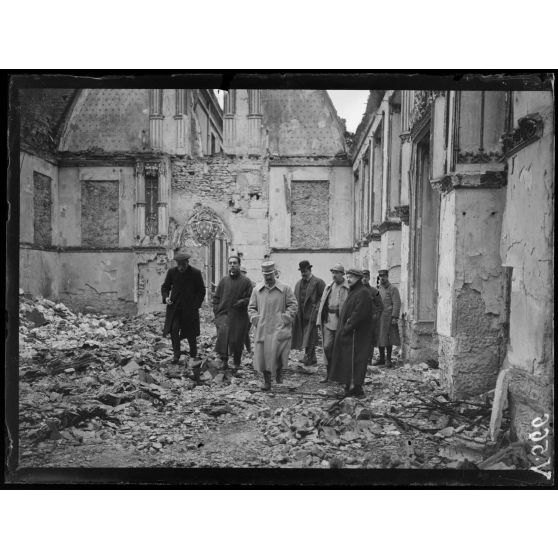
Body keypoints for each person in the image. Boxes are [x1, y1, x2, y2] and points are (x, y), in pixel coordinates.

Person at [248, 261, 298, 391]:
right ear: (263, 275)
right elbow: (251, 307)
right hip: (263, 327)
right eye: (265, 275)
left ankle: (279, 372)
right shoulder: (257, 290)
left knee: (279, 351)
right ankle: (267, 381)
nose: (268, 277)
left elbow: (293, 305)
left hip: (279, 326)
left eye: (270, 274)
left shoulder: (285, 288)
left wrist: (285, 318)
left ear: (275, 273)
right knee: (263, 355)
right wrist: (255, 318)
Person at [329, 268, 374, 398]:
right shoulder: (354, 291)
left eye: (351, 277)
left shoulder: (363, 293)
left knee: (356, 361)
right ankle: (350, 386)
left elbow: (358, 314)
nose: (348, 279)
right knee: (348, 360)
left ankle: (355, 388)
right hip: (350, 333)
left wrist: (347, 328)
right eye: (347, 277)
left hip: (357, 335)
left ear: (358, 278)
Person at [162, 250, 206, 364]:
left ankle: (193, 355)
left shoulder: (195, 273)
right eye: (179, 265)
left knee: (191, 333)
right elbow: (165, 287)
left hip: (189, 309)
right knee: (174, 330)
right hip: (175, 308)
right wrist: (166, 297)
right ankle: (176, 355)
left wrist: (195, 305)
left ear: (187, 262)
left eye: (183, 265)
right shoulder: (172, 272)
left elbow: (201, 291)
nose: (181, 267)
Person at [213, 256, 253, 371]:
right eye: (230, 263)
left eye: (235, 263)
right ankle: (224, 361)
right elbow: (216, 298)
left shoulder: (246, 281)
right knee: (223, 336)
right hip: (223, 314)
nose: (232, 265)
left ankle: (236, 362)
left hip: (239, 315)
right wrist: (216, 312)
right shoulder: (224, 281)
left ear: (239, 265)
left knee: (237, 340)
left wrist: (243, 302)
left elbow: (251, 298)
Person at [316, 264, 350, 383]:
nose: (334, 275)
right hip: (328, 320)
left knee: (340, 349)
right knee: (326, 347)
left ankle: (340, 375)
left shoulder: (347, 288)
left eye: (337, 272)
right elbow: (322, 303)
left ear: (342, 274)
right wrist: (319, 320)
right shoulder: (329, 287)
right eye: (333, 272)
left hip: (341, 322)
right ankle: (328, 373)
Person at [292, 260, 325, 366]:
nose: (303, 273)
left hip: (312, 314)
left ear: (310, 270)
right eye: (301, 271)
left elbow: (323, 297)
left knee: (310, 336)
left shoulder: (318, 282)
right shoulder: (299, 283)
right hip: (301, 315)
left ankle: (308, 358)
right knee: (305, 336)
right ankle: (313, 357)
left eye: (305, 271)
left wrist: (317, 307)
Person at [374, 269, 401, 368]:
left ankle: (388, 360)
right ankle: (381, 359)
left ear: (387, 276)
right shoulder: (378, 289)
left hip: (389, 317)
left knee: (388, 338)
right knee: (380, 337)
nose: (382, 278)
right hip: (379, 317)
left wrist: (395, 317)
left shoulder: (393, 289)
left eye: (384, 276)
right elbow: (375, 300)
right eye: (380, 276)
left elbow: (397, 303)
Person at [361, 269, 384, 363]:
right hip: (359, 320)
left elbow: (380, 306)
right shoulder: (356, 290)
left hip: (370, 320)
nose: (364, 279)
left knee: (369, 340)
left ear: (369, 278)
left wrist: (376, 316)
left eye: (366, 277)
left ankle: (368, 359)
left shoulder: (375, 291)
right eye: (363, 277)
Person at [240, 266, 256, 353]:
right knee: (240, 331)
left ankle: (248, 349)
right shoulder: (236, 283)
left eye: (243, 272)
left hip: (248, 311)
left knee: (245, 331)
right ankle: (242, 349)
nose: (242, 274)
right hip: (239, 312)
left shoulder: (251, 284)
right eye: (241, 272)